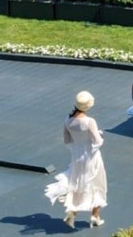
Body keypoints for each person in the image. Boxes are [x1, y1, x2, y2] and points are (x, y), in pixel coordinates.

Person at [45, 89, 107, 230]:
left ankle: (73, 212)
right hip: (91, 157)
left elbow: (67, 140)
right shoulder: (90, 121)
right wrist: (98, 136)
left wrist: (78, 145)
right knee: (97, 184)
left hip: (77, 157)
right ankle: (95, 216)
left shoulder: (68, 120)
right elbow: (98, 142)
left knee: (77, 184)